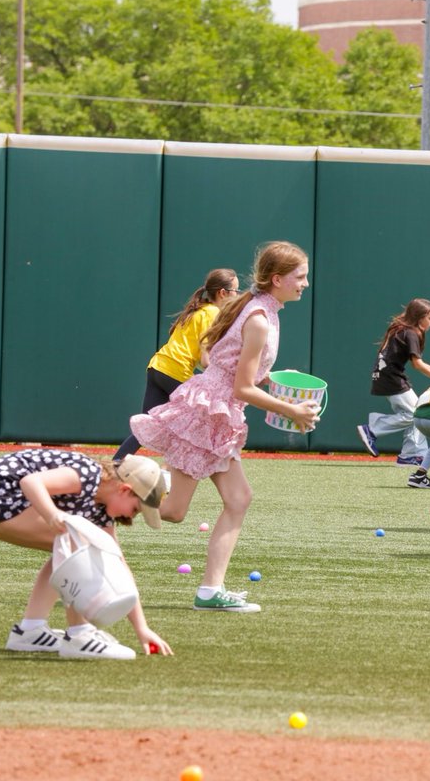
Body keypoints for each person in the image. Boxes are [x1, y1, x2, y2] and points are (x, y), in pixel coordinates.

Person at [130, 241, 319, 613]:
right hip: (210, 411)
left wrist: (273, 380)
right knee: (173, 511)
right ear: (277, 279)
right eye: (300, 276)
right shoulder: (260, 319)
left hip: (218, 410)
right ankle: (89, 508)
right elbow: (240, 386)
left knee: (238, 499)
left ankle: (210, 591)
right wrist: (292, 410)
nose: (305, 283)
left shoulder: (262, 308)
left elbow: (234, 368)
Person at [0, 448, 172, 660]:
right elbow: (30, 482)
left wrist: (142, 629)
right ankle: (80, 635)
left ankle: (30, 631)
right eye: (135, 509)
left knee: (71, 548)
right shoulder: (88, 473)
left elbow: (117, 562)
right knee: (80, 544)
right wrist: (51, 514)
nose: (131, 517)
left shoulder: (101, 510)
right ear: (125, 490)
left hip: (0, 503)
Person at [115, 268, 240, 461]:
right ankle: (177, 474)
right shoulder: (213, 312)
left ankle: (114, 466)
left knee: (148, 424)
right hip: (176, 372)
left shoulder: (198, 310)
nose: (237, 296)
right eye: (235, 292)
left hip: (157, 367)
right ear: (223, 293)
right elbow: (206, 359)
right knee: (190, 427)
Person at [357, 299, 430, 467]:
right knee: (417, 414)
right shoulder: (410, 333)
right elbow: (417, 365)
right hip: (391, 378)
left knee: (416, 414)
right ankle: (373, 429)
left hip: (386, 376)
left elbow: (418, 362)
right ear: (419, 317)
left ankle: (411, 455)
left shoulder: (404, 330)